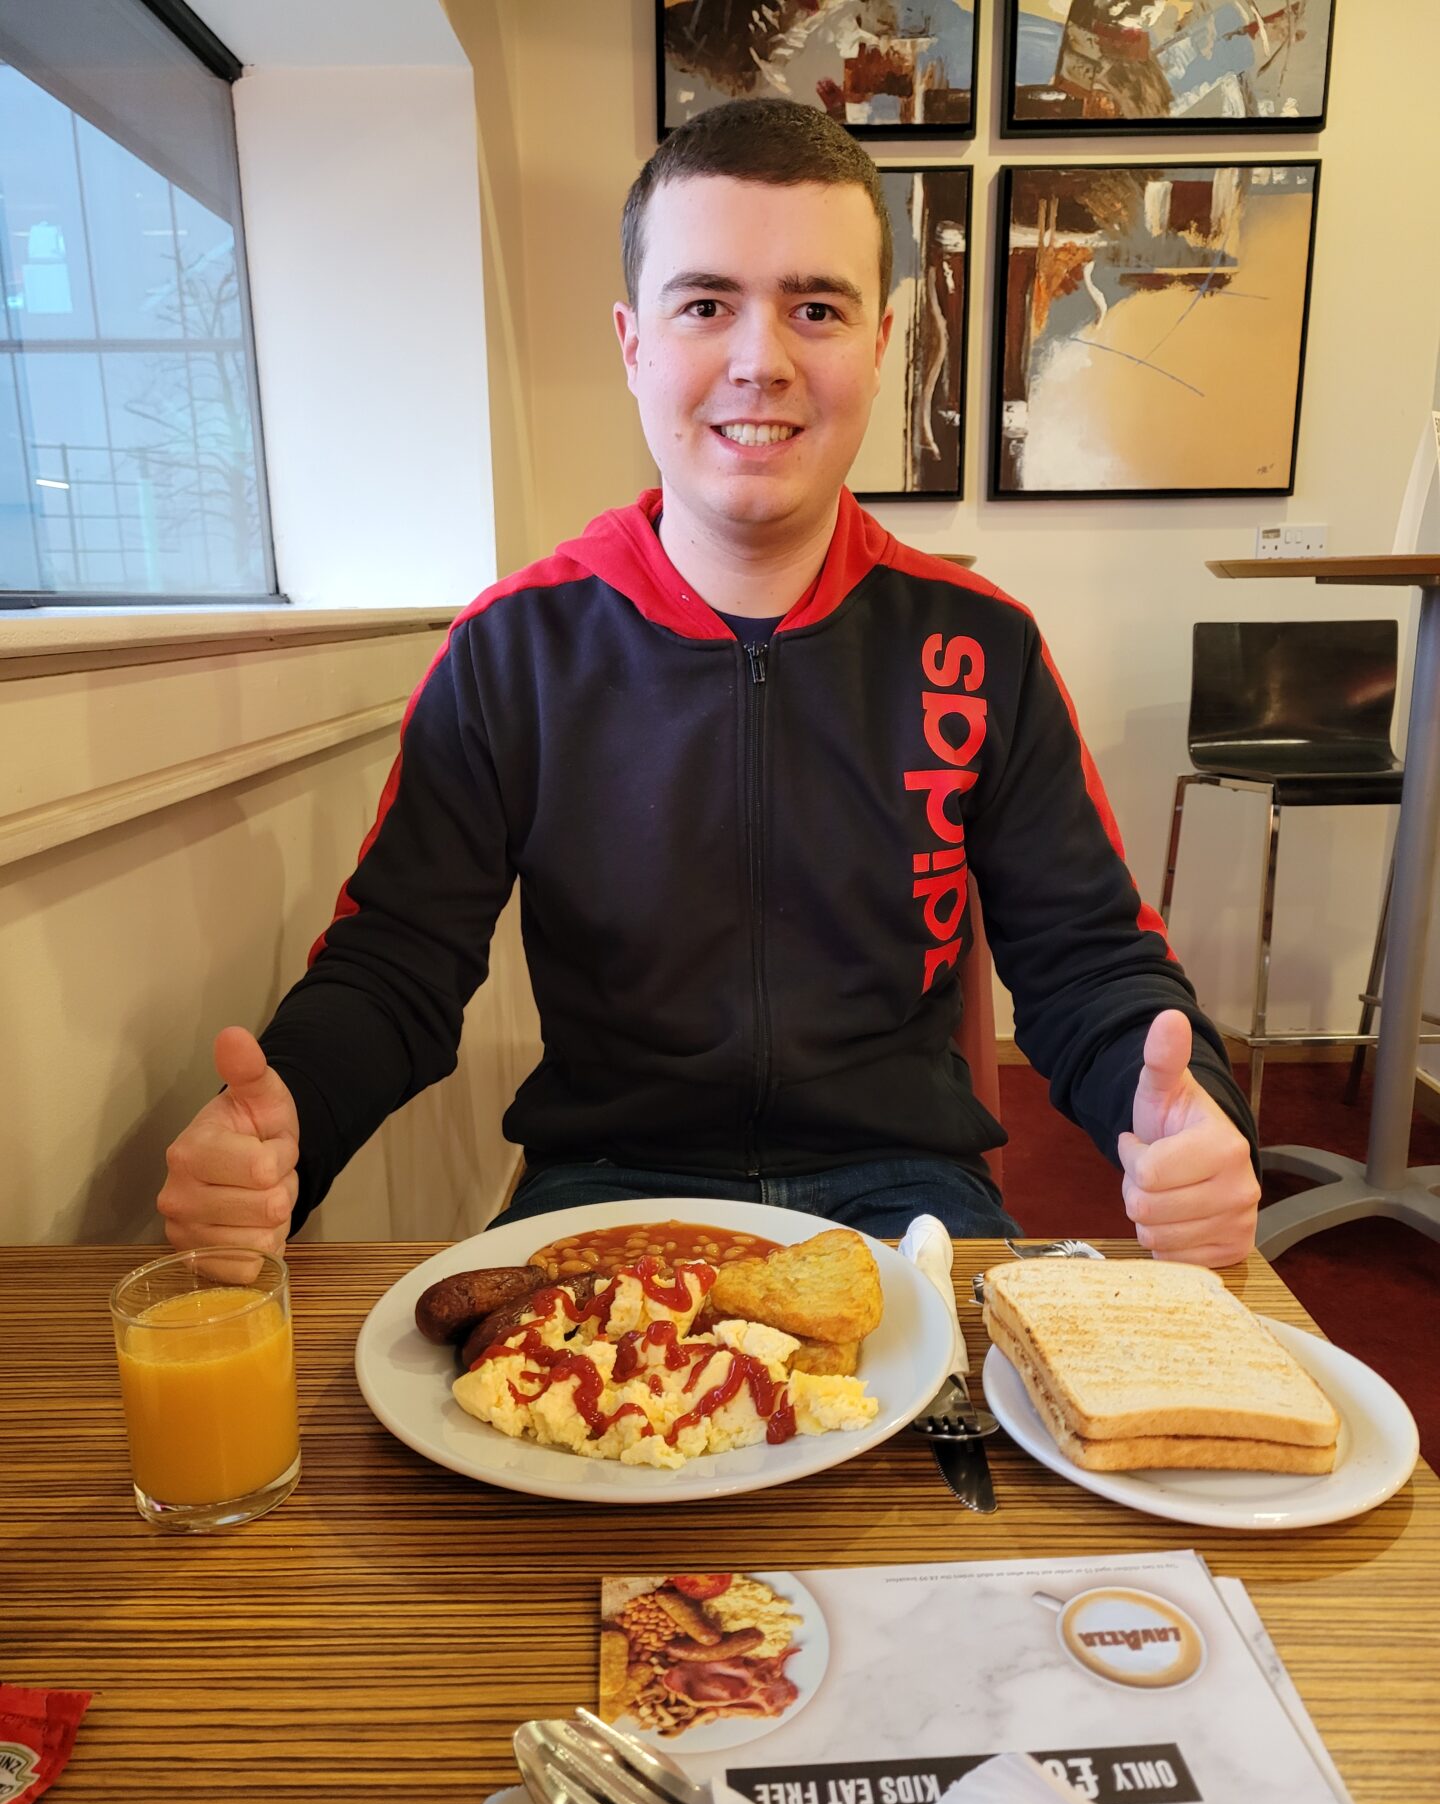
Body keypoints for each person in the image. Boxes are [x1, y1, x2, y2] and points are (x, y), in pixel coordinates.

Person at [158, 101, 1261, 1264]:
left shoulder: (985, 647)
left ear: (880, 344)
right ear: (634, 343)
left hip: (905, 1188)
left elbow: (1088, 957)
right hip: (605, 1183)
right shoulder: (511, 651)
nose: (760, 362)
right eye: (705, 305)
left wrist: (1188, 1114)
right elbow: (398, 964)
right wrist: (288, 1122)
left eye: (816, 308)